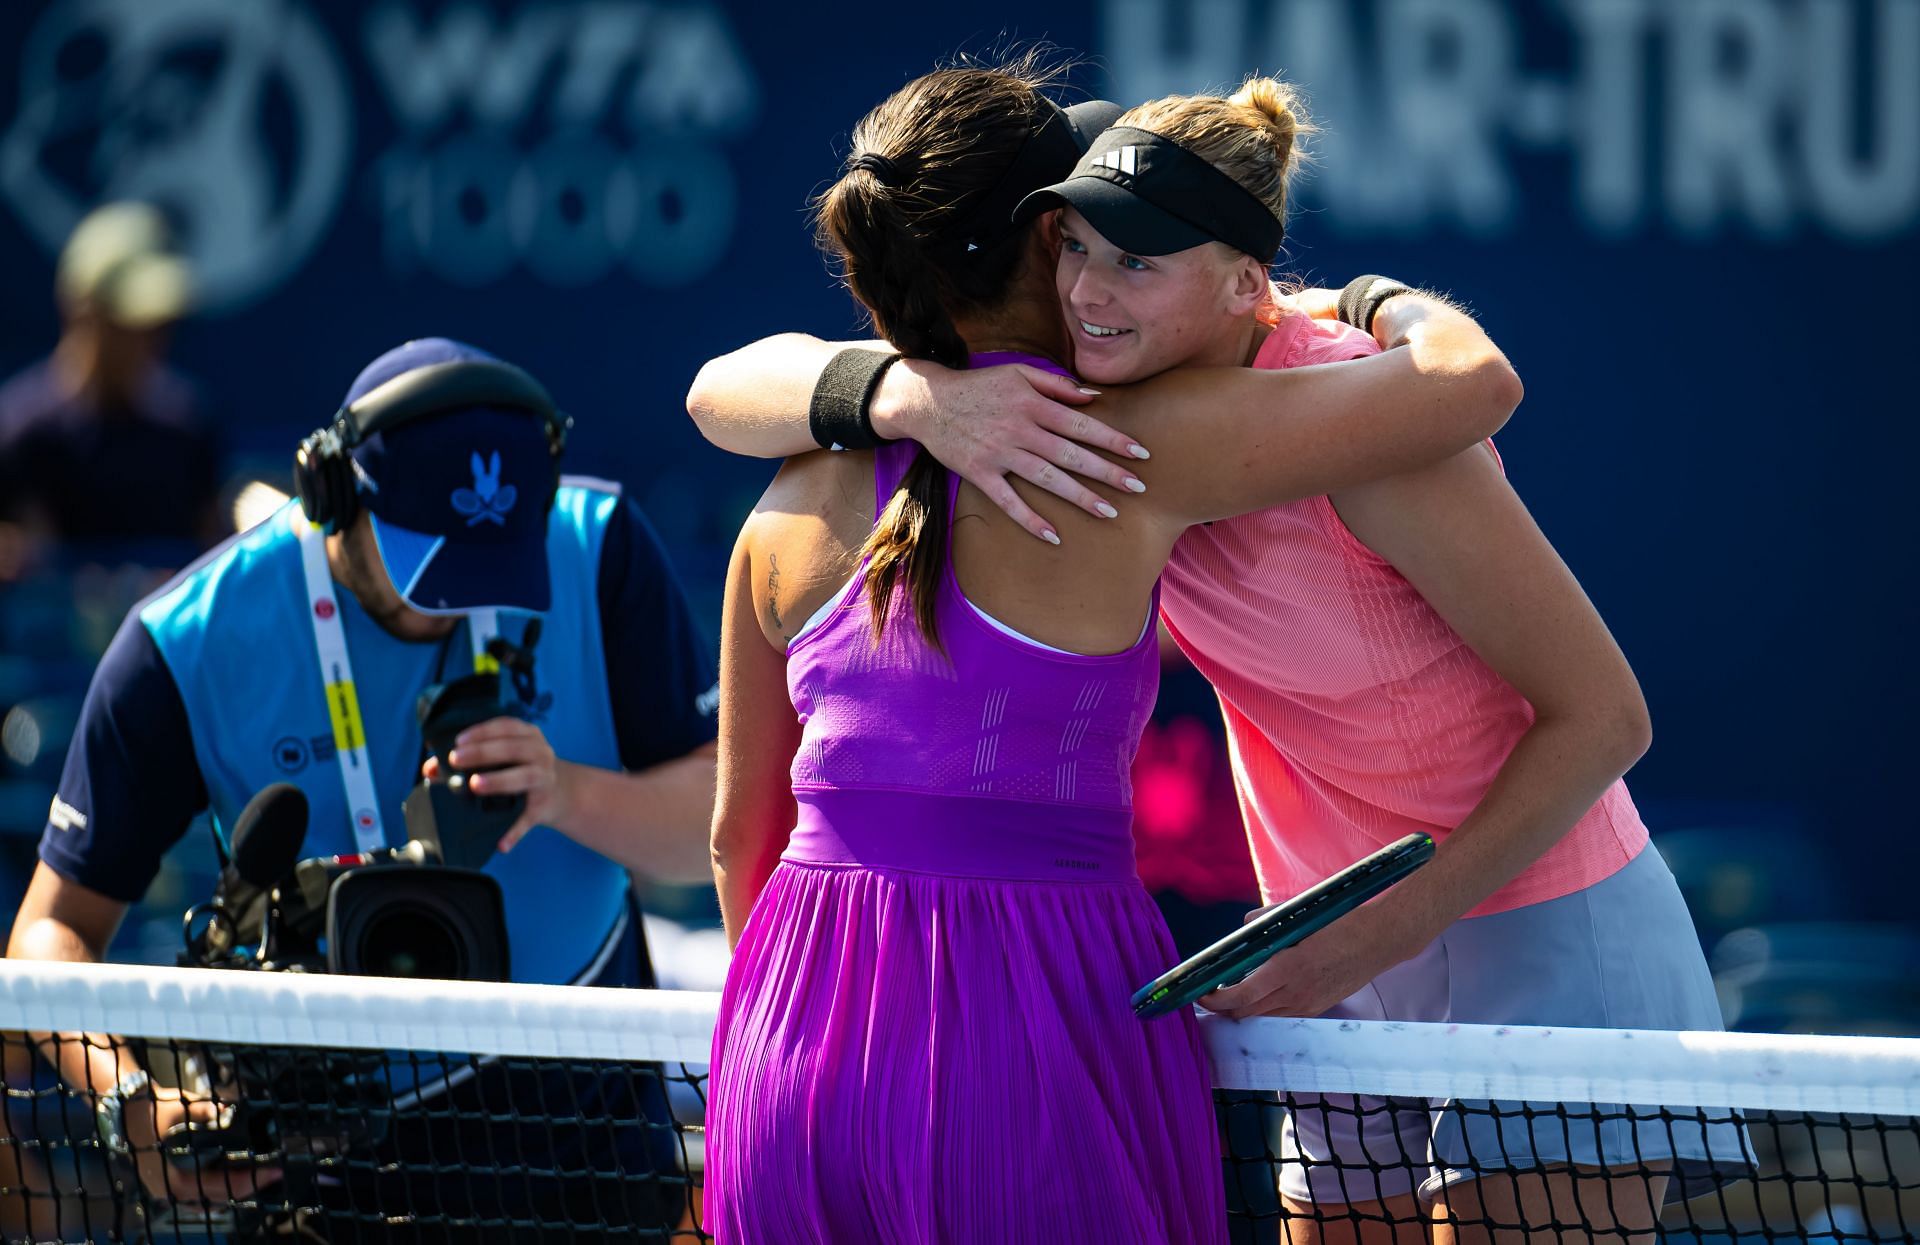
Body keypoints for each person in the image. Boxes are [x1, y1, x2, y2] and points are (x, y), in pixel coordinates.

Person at [700, 59, 1522, 1244]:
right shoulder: (1132, 444)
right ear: (1041, 244)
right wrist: (1371, 302)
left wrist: (803, 1029)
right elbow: (1466, 390)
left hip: (783, 1042)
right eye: (1075, 225)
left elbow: (740, 839)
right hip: (1032, 1025)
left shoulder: (784, 488)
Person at [5, 337, 719, 1239]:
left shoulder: (598, 544)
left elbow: (715, 831)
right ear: (332, 497)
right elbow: (46, 935)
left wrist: (567, 791)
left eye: (492, 559)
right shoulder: (184, 642)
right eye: (434, 563)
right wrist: (127, 1099)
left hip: (586, 1133)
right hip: (324, 1164)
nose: (462, 600)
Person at [0, 202, 221, 573]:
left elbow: (208, 554)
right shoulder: (18, 432)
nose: (149, 340)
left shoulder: (188, 426)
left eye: (159, 324)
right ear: (83, 313)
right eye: (128, 322)